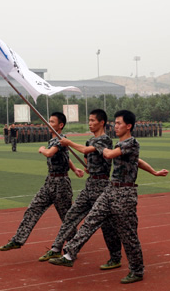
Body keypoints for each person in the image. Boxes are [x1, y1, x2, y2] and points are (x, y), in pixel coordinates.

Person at [49, 110, 168, 284]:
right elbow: (137, 161)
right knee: (91, 220)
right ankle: (69, 255)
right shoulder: (119, 145)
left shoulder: (131, 142)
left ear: (129, 126)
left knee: (128, 235)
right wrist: (154, 172)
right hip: (111, 190)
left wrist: (97, 147)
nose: (116, 126)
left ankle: (137, 270)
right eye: (115, 123)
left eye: (119, 123)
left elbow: (110, 155)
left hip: (125, 194)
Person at [38, 109, 120, 266]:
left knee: (107, 226)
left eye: (93, 120)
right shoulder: (90, 140)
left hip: (102, 186)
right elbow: (88, 159)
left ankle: (115, 257)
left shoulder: (105, 140)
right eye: (89, 120)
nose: (90, 123)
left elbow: (85, 150)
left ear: (102, 122)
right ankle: (57, 248)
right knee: (71, 216)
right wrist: (87, 167)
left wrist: (69, 143)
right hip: (90, 184)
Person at [0, 112, 84, 252]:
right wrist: (74, 169)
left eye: (52, 122)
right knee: (34, 208)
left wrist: (42, 149)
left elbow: (50, 153)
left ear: (61, 125)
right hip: (50, 181)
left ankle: (73, 245)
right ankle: (18, 239)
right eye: (48, 121)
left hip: (61, 183)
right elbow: (65, 157)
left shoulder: (61, 139)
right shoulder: (53, 140)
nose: (48, 124)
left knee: (67, 217)